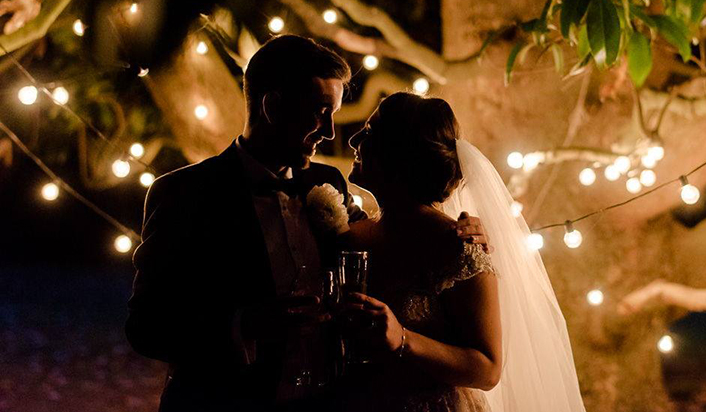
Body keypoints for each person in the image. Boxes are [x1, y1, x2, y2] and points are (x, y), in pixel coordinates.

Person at [125, 35, 489, 412]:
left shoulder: (328, 182)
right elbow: (145, 327)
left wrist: (460, 231)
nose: (331, 131)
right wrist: (244, 325)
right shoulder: (183, 193)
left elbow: (389, 238)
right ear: (272, 106)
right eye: (319, 111)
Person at [335, 92, 586, 412]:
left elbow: (487, 368)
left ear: (399, 154)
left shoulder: (459, 247)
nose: (355, 139)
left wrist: (402, 338)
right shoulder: (350, 235)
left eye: (370, 132)